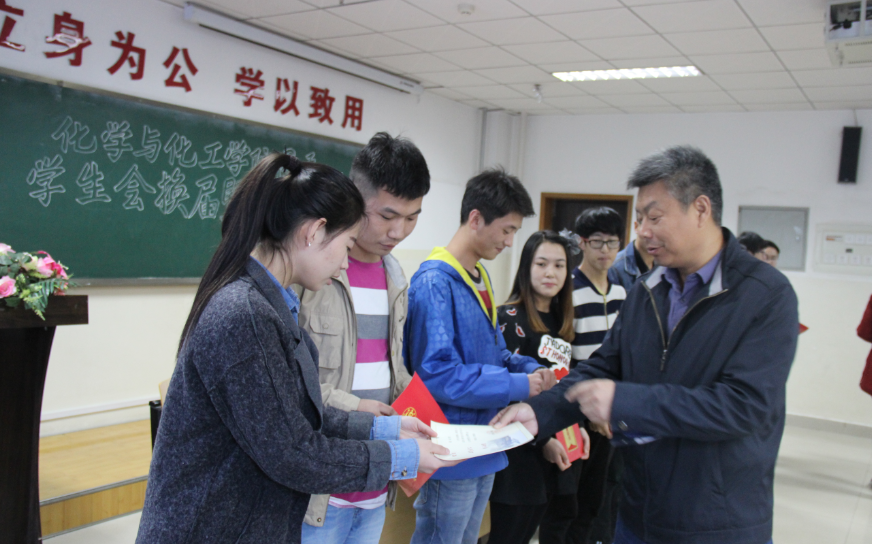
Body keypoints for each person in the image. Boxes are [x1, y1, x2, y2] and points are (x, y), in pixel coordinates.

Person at [136, 154, 455, 544]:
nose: (343, 266)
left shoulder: (269, 304)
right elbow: (293, 452)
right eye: (347, 245)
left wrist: (385, 426)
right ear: (314, 231)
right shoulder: (245, 314)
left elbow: (296, 412)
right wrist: (401, 457)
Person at [491, 145, 799, 544]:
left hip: (716, 520)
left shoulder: (765, 295)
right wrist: (539, 412)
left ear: (701, 209)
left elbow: (744, 406)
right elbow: (604, 366)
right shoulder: (647, 291)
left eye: (654, 217)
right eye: (639, 218)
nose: (642, 231)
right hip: (639, 513)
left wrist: (625, 403)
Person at [404, 168, 555, 544]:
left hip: (485, 441)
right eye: (506, 230)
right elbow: (437, 373)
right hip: (450, 447)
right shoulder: (435, 282)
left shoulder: (478, 276)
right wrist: (519, 384)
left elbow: (495, 352)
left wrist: (531, 370)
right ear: (475, 219)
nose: (509, 242)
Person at [295, 133, 430, 544]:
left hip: (375, 485)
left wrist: (431, 424)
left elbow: (393, 366)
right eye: (387, 215)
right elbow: (291, 386)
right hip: (318, 493)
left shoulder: (396, 277)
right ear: (356, 198)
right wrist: (358, 410)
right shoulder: (311, 272)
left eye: (412, 217)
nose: (399, 230)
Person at [489, 230, 591, 544]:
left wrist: (578, 424)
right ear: (526, 268)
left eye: (559, 265)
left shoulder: (562, 319)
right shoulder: (508, 316)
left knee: (556, 525)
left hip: (559, 445)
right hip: (517, 454)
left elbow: (565, 381)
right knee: (510, 534)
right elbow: (503, 391)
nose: (551, 273)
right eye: (542, 263)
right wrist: (542, 439)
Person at [545, 207, 626, 544]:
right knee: (566, 502)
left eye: (612, 242)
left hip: (614, 413)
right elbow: (563, 358)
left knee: (600, 500)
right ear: (582, 243)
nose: (605, 250)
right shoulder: (569, 292)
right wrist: (586, 413)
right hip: (575, 414)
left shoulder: (623, 292)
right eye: (597, 242)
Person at [609, 221, 655, 292]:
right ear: (636, 226)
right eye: (649, 230)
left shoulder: (665, 266)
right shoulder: (615, 267)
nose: (652, 236)